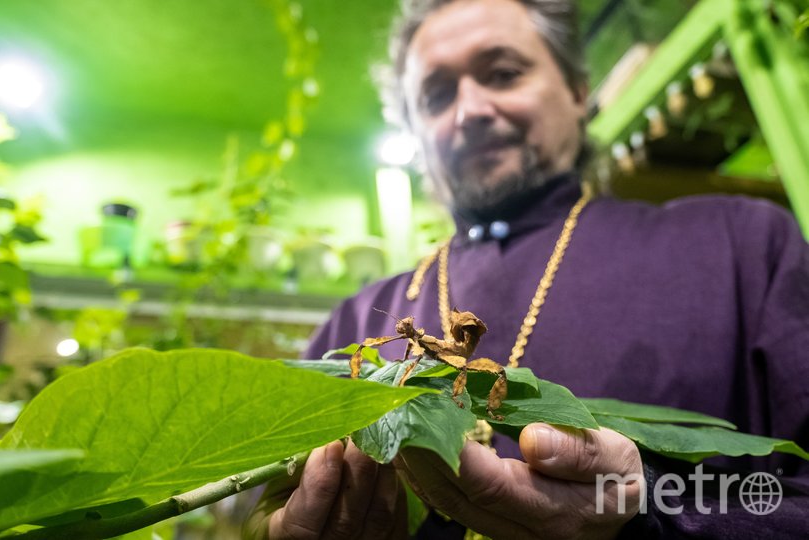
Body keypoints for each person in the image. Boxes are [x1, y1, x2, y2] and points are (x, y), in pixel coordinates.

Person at [246, 0, 809, 537]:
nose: (469, 111)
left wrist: (654, 518)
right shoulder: (350, 326)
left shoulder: (740, 244)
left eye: (504, 73)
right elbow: (253, 508)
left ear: (576, 91)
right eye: (437, 95)